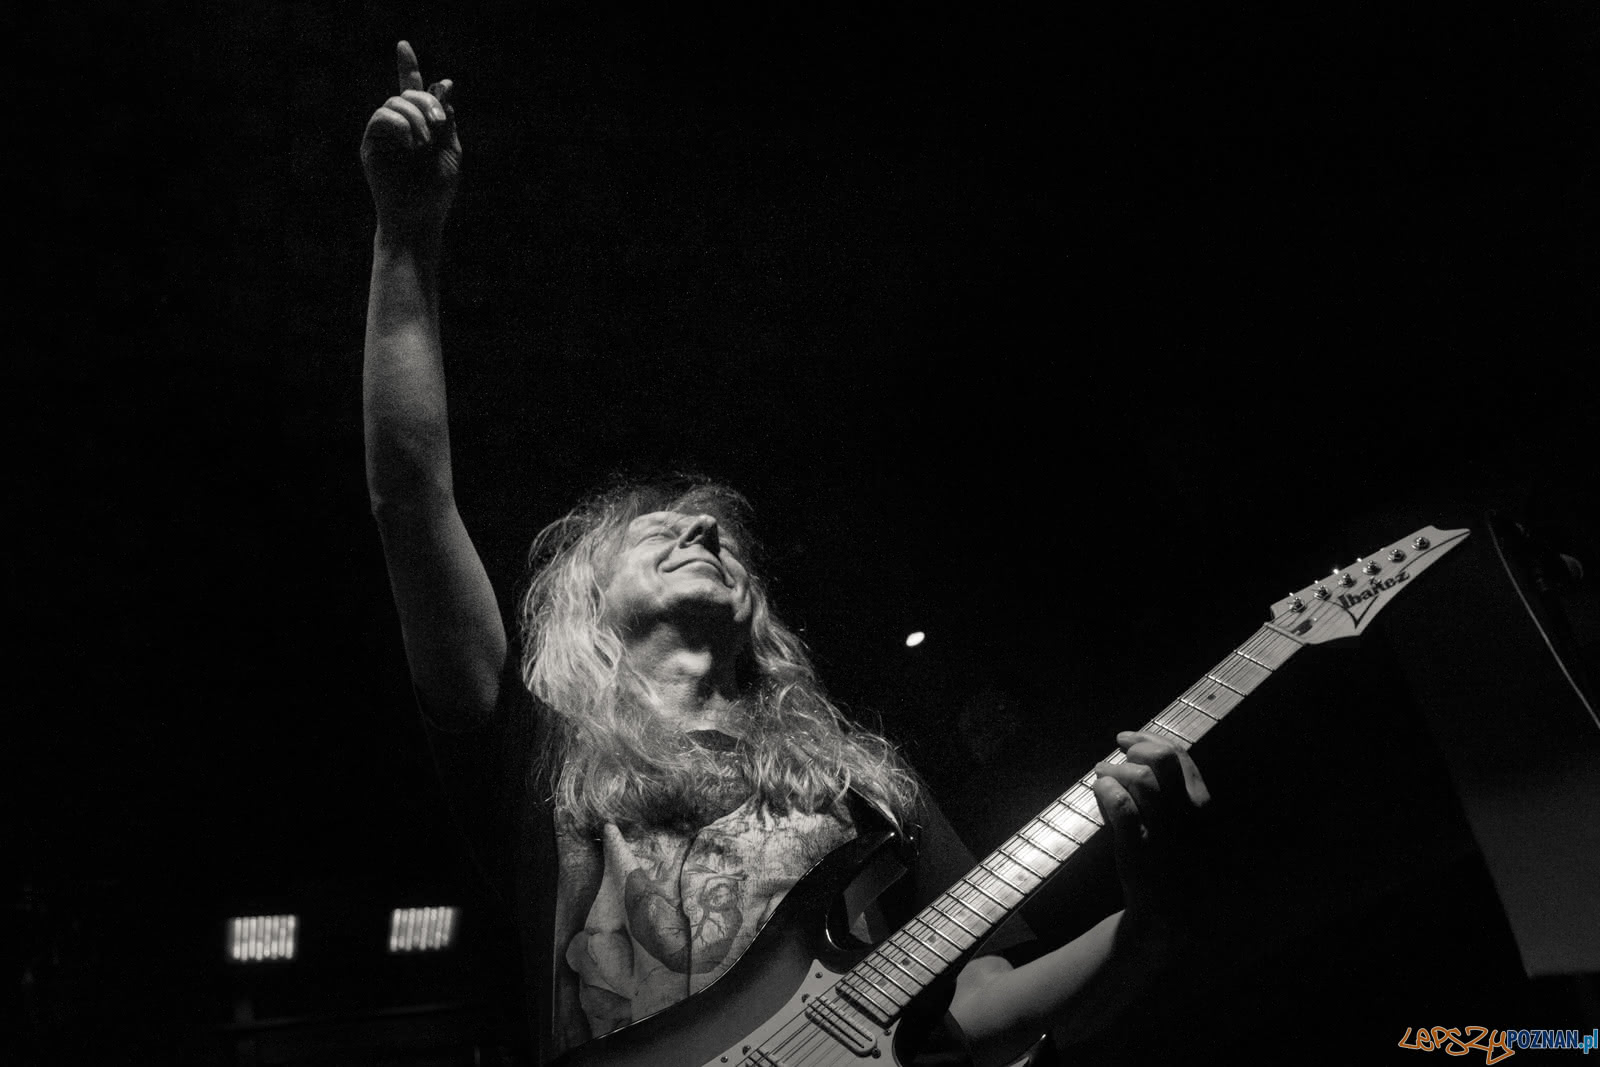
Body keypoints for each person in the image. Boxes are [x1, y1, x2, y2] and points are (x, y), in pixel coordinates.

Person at [361, 40, 1211, 1067]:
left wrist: (1156, 907)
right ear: (586, 598)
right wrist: (407, 232)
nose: (701, 531)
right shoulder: (541, 757)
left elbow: (984, 1010)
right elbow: (411, 497)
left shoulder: (866, 791)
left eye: (716, 532)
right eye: (657, 528)